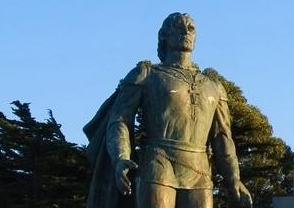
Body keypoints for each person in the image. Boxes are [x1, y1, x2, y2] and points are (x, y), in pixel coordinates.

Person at [86, 12, 252, 208]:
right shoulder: (146, 74)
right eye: (178, 27)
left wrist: (233, 178)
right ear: (163, 35)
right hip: (158, 164)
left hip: (200, 172)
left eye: (191, 28)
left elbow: (222, 138)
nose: (186, 31)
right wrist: (121, 157)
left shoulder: (213, 86)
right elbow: (120, 120)